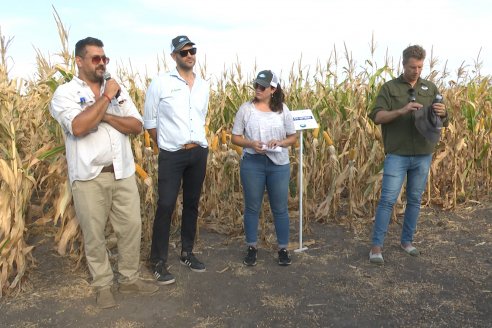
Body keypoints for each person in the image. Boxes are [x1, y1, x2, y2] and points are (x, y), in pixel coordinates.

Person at [50, 37, 158, 308]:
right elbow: (78, 126)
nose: (102, 63)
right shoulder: (65, 93)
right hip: (89, 176)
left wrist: (106, 114)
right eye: (96, 58)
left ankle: (130, 279)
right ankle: (102, 284)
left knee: (131, 227)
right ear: (79, 61)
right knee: (95, 233)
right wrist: (106, 98)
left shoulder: (118, 91)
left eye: (105, 58)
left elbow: (136, 125)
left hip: (122, 171)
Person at [368, 45, 448, 265]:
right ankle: (377, 246)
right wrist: (401, 110)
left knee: (414, 200)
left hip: (423, 154)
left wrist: (444, 113)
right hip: (398, 154)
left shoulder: (430, 88)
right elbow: (376, 116)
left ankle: (407, 242)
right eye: (412, 66)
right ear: (403, 64)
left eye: (420, 66)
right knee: (387, 201)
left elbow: (442, 122)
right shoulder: (389, 88)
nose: (416, 71)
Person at [144, 35, 209, 284]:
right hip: (172, 154)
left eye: (192, 50)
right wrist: (166, 146)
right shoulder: (160, 83)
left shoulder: (203, 86)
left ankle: (187, 253)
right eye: (183, 52)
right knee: (166, 205)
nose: (189, 55)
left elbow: (200, 118)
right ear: (174, 57)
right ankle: (158, 261)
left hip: (198, 152)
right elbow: (150, 122)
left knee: (192, 203)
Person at [231, 70, 297, 266]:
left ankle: (283, 248)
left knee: (280, 209)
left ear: (273, 89)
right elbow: (235, 137)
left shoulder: (283, 110)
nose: (258, 89)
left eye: (263, 87)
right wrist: (252, 144)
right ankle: (252, 247)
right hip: (253, 163)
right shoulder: (246, 109)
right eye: (256, 85)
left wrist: (281, 142)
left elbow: (293, 137)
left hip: (278, 164)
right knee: (252, 207)